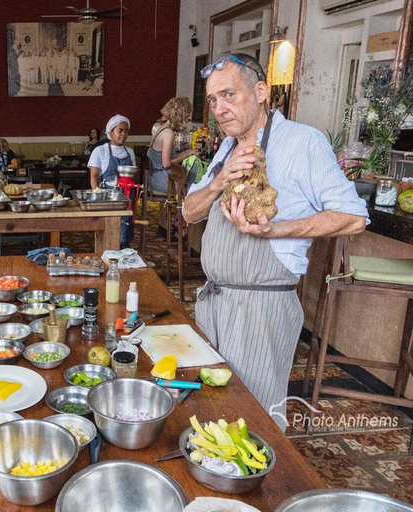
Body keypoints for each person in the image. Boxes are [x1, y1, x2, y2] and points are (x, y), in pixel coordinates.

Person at [183, 53, 368, 430]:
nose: (220, 108)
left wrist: (276, 230)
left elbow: (354, 217)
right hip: (215, 303)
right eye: (214, 100)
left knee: (254, 422)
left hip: (261, 309)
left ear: (261, 92)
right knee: (212, 412)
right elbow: (189, 212)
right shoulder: (226, 147)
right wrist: (218, 182)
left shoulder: (303, 143)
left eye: (229, 95)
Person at [88, 114, 137, 248]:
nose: (123, 134)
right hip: (107, 199)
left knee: (124, 236)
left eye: (126, 131)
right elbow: (94, 176)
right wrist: (97, 194)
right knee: (107, 233)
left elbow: (132, 177)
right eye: (120, 130)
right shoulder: (100, 151)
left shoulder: (130, 152)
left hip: (126, 198)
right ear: (111, 131)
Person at [149, 97, 197, 193]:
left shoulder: (161, 128)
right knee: (197, 181)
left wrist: (188, 152)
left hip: (157, 176)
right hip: (164, 179)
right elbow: (166, 164)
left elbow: (168, 159)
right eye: (186, 117)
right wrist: (186, 155)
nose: (187, 120)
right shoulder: (168, 133)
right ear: (180, 115)